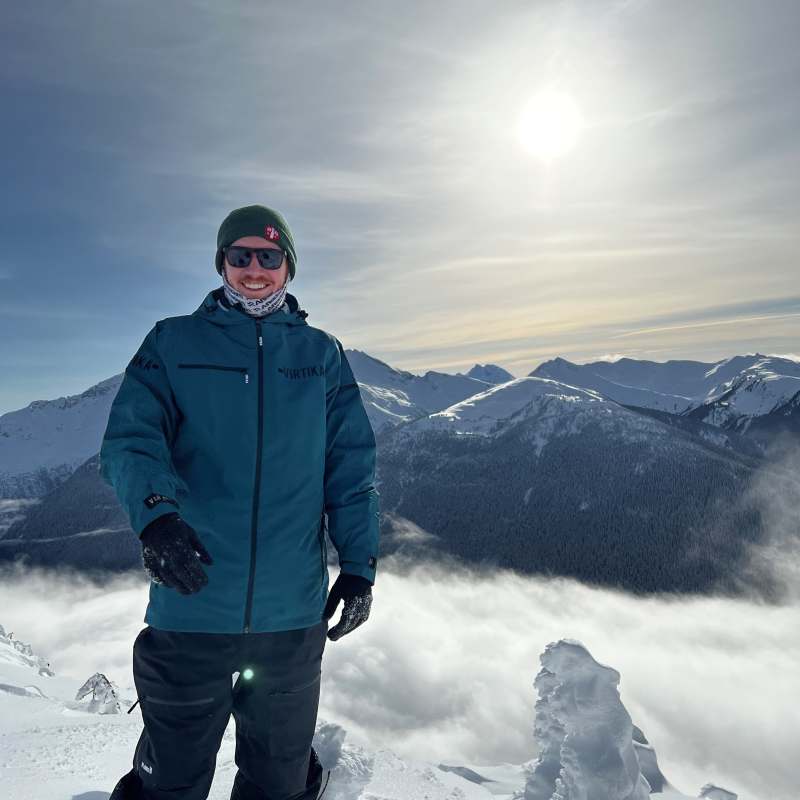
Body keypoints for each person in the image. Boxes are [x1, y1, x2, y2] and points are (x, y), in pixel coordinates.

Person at [100, 204, 380, 800]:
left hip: (290, 617)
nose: (255, 269)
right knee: (168, 784)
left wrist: (359, 568)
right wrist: (157, 517)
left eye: (269, 256)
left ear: (289, 266)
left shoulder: (321, 355)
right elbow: (132, 439)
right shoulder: (174, 342)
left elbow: (351, 468)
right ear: (222, 264)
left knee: (279, 784)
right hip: (192, 603)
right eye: (241, 255)